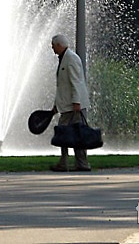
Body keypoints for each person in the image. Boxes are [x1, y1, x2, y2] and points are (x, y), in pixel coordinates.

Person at [50, 33, 91, 172]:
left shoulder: (71, 59)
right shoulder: (65, 58)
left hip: (72, 106)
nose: (52, 48)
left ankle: (65, 163)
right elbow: (63, 86)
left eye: (53, 46)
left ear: (59, 45)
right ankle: (82, 163)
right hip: (69, 105)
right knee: (76, 134)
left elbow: (76, 82)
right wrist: (56, 105)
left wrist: (76, 102)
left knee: (64, 133)